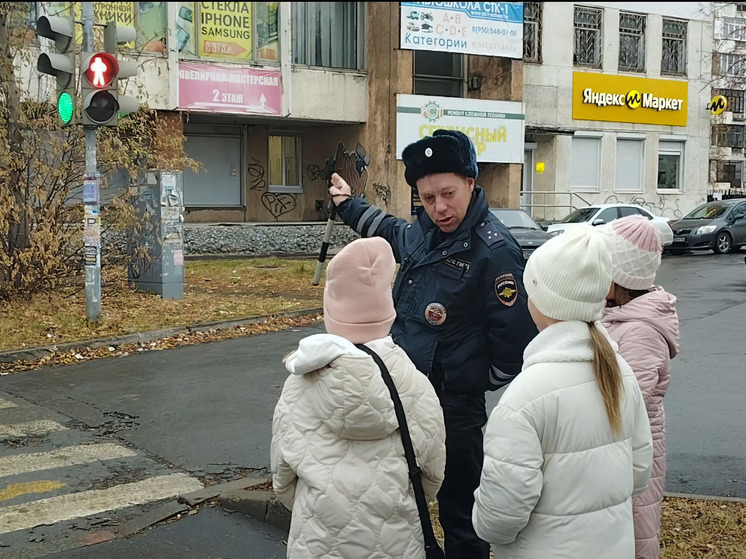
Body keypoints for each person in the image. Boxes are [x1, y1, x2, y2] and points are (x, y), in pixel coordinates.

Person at [329, 129, 538, 558]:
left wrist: (471, 382)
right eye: (427, 198)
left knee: (460, 514)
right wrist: (347, 203)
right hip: (407, 397)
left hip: (454, 411)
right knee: (405, 502)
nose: (440, 208)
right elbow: (388, 230)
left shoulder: (493, 252)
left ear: (470, 183)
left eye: (447, 193)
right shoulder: (424, 233)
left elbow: (514, 344)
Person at [472, 225, 654, 558]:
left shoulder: (524, 398)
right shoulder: (619, 370)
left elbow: (500, 514)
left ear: (542, 300)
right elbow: (639, 471)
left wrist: (481, 521)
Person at [270, 237, 446, 559]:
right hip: (399, 542)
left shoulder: (298, 386)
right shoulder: (416, 384)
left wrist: (327, 512)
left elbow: (282, 480)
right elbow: (432, 477)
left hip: (317, 542)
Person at [600, 215, 680, 559]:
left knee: (635, 537)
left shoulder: (642, 331)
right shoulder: (617, 314)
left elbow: (623, 402)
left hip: (633, 454)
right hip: (618, 454)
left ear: (619, 278)